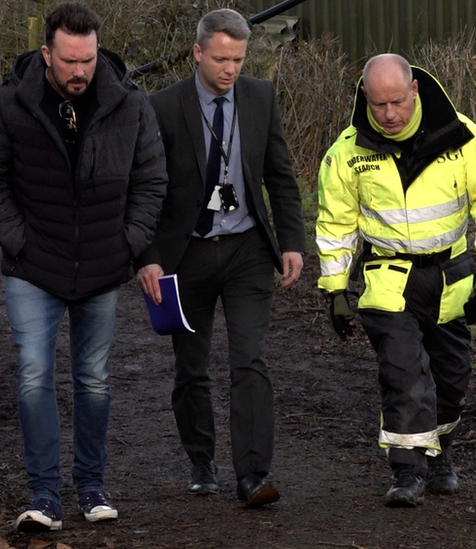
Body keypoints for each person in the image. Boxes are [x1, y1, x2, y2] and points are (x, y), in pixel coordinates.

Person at [0, 1, 168, 533]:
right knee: (34, 375)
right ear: (47, 53)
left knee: (94, 380)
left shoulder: (129, 104)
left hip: (103, 266)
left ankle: (92, 487)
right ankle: (44, 496)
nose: (81, 71)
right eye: (70, 61)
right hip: (33, 269)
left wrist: (127, 244)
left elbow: (152, 180)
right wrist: (20, 242)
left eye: (89, 60)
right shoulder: (8, 103)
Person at [316, 53, 476, 507]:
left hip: (451, 275)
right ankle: (407, 471)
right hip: (387, 276)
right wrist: (334, 291)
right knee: (404, 374)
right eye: (379, 104)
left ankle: (440, 451)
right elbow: (335, 226)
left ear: (415, 92)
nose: (389, 115)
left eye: (398, 103)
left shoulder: (461, 136)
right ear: (365, 96)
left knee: (451, 376)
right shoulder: (347, 151)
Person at [135, 8, 305, 508]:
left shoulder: (260, 97)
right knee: (191, 366)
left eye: (238, 59)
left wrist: (292, 241)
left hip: (248, 250)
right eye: (221, 59)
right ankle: (201, 461)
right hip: (185, 255)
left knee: (250, 359)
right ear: (197, 52)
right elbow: (143, 188)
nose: (230, 69)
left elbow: (280, 174)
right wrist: (147, 255)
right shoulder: (163, 107)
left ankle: (253, 474)